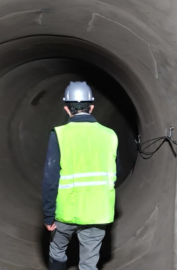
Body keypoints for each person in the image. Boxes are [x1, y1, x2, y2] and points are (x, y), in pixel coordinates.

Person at [42, 81, 120, 270]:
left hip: (66, 212)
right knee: (89, 262)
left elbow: (50, 179)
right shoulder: (110, 135)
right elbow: (115, 172)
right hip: (97, 212)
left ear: (67, 109)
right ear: (91, 107)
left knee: (58, 250)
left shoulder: (59, 135)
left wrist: (48, 216)